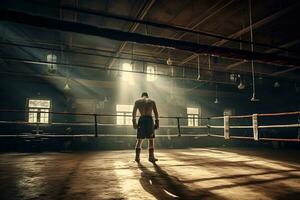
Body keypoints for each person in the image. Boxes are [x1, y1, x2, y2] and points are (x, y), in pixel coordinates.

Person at [132, 92, 159, 162]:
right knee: (151, 140)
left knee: (139, 139)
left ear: (141, 96)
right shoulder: (152, 101)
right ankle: (151, 157)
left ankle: (137, 157)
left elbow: (134, 113)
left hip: (142, 120)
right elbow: (156, 113)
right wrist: (157, 122)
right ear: (147, 96)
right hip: (149, 120)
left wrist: (134, 122)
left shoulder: (138, 101)